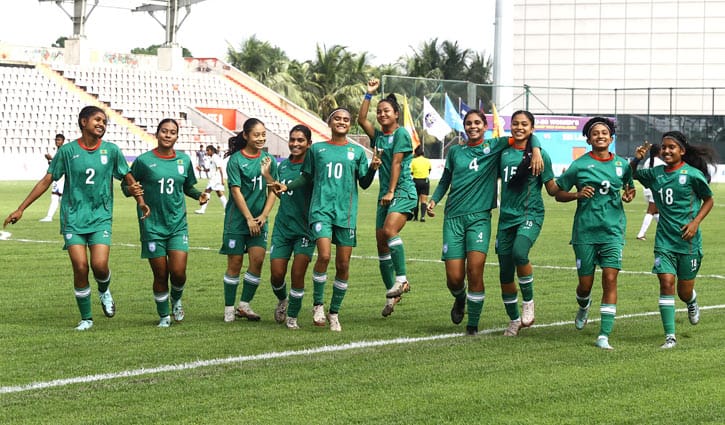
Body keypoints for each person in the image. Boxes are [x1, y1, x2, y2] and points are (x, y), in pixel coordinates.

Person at [3, 106, 150, 331]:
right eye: (97, 119)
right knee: (80, 267)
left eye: (105, 122)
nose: (102, 124)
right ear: (83, 122)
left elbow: (128, 177)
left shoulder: (111, 150)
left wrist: (140, 201)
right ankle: (86, 318)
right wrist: (21, 208)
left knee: (99, 266)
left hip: (100, 217)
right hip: (73, 218)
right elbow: (47, 180)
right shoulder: (67, 151)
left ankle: (104, 291)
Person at [427, 109, 543, 336]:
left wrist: (536, 150)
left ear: (485, 126)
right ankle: (460, 298)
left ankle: (472, 325)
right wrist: (433, 200)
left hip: (479, 218)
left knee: (475, 270)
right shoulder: (455, 152)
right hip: (453, 218)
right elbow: (445, 180)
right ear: (464, 126)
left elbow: (525, 135)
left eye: (477, 123)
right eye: (469, 123)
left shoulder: (495, 146)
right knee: (454, 279)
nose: (473, 126)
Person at [271, 108, 378, 331]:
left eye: (346, 119)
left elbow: (364, 183)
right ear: (330, 122)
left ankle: (334, 312)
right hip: (321, 211)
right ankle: (318, 305)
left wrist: (373, 169)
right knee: (325, 255)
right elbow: (306, 177)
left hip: (346, 214)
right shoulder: (317, 149)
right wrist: (287, 186)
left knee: (343, 264)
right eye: (337, 118)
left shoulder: (357, 152)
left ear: (350, 124)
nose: (341, 122)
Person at [553, 116, 636, 350]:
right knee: (585, 285)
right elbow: (558, 194)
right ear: (588, 139)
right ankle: (583, 304)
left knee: (610, 279)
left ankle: (604, 336)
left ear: (611, 137)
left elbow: (629, 188)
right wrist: (576, 195)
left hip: (612, 231)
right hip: (585, 232)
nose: (600, 136)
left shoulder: (622, 165)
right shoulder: (579, 165)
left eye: (604, 132)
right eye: (595, 133)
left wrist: (629, 195)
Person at [630, 132, 716, 349]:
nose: (666, 151)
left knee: (683, 292)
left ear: (682, 151)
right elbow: (630, 174)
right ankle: (670, 336)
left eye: (672, 147)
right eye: (664, 147)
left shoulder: (693, 174)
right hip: (664, 242)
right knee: (666, 282)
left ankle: (691, 301)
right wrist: (636, 159)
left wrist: (695, 223)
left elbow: (709, 200)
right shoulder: (655, 174)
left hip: (688, 242)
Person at [123, 119, 209, 327]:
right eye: (164, 131)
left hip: (177, 224)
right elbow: (127, 187)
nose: (168, 135)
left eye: (172, 132)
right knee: (160, 274)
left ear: (177, 136)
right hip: (152, 225)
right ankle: (164, 316)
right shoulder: (144, 161)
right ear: (157, 133)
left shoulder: (184, 160)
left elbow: (187, 186)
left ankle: (176, 299)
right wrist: (130, 190)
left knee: (178, 273)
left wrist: (198, 195)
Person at [496, 110, 560, 336]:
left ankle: (529, 302)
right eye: (515, 123)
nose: (519, 127)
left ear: (532, 128)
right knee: (505, 274)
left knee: (520, 252)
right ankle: (514, 320)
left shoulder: (541, 155)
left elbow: (552, 189)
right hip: (505, 218)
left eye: (524, 124)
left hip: (530, 215)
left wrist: (573, 189)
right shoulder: (502, 153)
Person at [357, 79, 417, 317]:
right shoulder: (379, 137)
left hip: (402, 190)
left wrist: (391, 191)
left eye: (386, 111)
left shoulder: (401, 134)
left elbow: (397, 163)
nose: (382, 114)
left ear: (396, 114)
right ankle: (392, 295)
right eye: (379, 111)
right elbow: (361, 120)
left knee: (390, 230)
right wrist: (368, 94)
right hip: (385, 194)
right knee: (381, 245)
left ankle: (402, 280)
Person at [221, 118, 278, 323]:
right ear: (246, 135)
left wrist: (263, 216)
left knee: (258, 261)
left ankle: (244, 305)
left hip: (259, 222)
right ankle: (229, 308)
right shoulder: (236, 160)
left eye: (263, 134)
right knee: (235, 264)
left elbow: (273, 189)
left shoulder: (268, 160)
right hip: (237, 221)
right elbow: (235, 191)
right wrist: (248, 219)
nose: (261, 138)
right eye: (256, 134)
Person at [261, 125, 316, 329]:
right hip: (283, 227)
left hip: (305, 229)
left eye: (300, 140)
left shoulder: (313, 167)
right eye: (292, 139)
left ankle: (292, 317)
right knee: (276, 275)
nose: (295, 143)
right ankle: (283, 300)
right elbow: (279, 191)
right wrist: (268, 176)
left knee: (297, 275)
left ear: (309, 143)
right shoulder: (283, 166)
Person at [635, 143, 665, 240]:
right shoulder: (661, 163)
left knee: (656, 212)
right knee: (651, 211)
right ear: (659, 151)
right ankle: (641, 234)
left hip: (646, 189)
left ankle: (666, 232)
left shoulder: (647, 161)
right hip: (655, 190)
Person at [39, 133, 66, 222]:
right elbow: (54, 165)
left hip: (61, 178)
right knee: (55, 196)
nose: (57, 141)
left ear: (63, 141)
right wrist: (50, 160)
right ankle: (49, 216)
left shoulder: (63, 151)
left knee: (60, 197)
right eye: (56, 140)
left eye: (59, 140)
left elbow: (60, 164)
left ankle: (67, 216)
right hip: (57, 177)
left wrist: (51, 159)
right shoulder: (58, 151)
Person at [194, 145, 227, 214]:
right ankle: (227, 210)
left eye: (208, 150)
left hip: (215, 179)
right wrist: (201, 169)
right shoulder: (212, 158)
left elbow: (220, 168)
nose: (207, 152)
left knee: (206, 192)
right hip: (214, 178)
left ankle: (202, 210)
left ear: (212, 150)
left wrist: (222, 179)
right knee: (220, 194)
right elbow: (209, 169)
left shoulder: (215, 157)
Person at [411, 145, 432, 222]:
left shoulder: (413, 161)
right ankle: (422, 217)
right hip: (425, 181)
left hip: (416, 181)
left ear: (416, 153)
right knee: (424, 200)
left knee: (415, 200)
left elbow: (411, 172)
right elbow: (429, 170)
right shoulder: (427, 161)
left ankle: (415, 217)